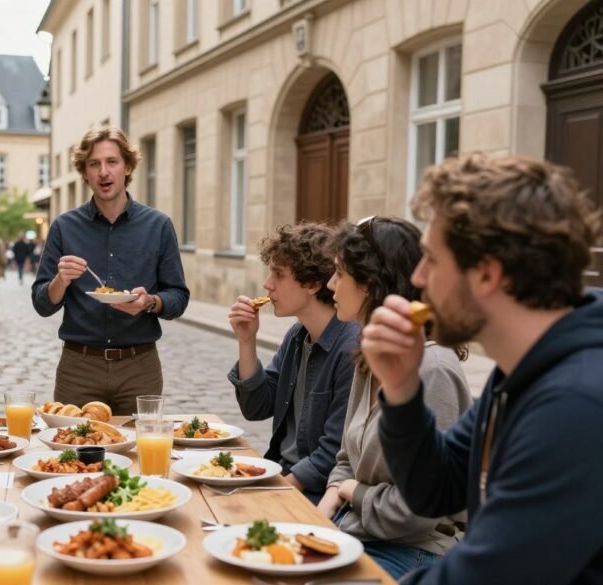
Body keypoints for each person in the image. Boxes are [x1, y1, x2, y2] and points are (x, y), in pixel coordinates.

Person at [363, 154, 603, 584]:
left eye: (432, 260)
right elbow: (434, 486)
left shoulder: (576, 404)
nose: (417, 278)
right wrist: (401, 389)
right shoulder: (522, 368)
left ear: (488, 275)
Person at [319, 216, 471, 579]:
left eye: (339, 274)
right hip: (355, 529)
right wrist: (325, 507)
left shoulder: (432, 369)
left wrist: (351, 492)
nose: (330, 284)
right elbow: (345, 459)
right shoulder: (372, 354)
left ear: (370, 284)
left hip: (414, 550)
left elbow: (415, 513)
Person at [32, 126, 190, 415]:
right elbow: (41, 303)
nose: (104, 172)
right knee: (71, 453)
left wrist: (150, 302)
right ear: (84, 173)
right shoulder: (64, 227)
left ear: (127, 166)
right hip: (78, 369)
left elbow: (178, 297)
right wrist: (60, 280)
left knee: (141, 453)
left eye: (112, 162)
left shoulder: (158, 226)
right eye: (94, 164)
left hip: (139, 367)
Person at [227, 222, 358, 503]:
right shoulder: (298, 335)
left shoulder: (350, 348)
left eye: (278, 274)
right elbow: (257, 406)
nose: (267, 284)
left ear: (312, 284)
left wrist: (274, 492)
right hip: (284, 475)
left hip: (317, 494)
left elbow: (334, 452)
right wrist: (246, 341)